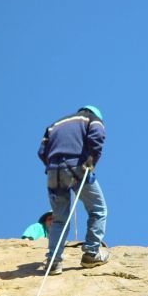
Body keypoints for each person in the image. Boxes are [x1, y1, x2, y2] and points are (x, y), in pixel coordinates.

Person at [38, 105, 109, 275]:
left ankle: (54, 262)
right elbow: (97, 135)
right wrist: (91, 160)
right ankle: (91, 253)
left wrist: (54, 166)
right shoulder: (91, 119)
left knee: (59, 219)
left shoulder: (55, 124)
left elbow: (41, 151)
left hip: (53, 172)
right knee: (98, 209)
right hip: (76, 166)